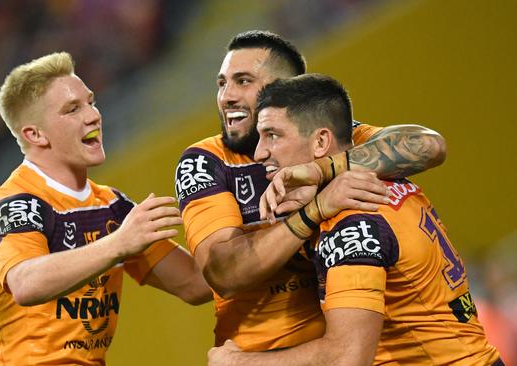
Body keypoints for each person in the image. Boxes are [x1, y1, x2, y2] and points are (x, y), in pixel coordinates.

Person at [175, 30, 447, 351]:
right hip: (258, 356)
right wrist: (315, 210)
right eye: (222, 83)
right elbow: (222, 274)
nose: (226, 96)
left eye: (243, 81)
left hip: (336, 347)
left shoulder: (325, 139)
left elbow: (429, 145)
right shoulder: (206, 162)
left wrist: (321, 169)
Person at [207, 74, 502, 365]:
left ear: (321, 141)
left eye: (273, 135)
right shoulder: (385, 174)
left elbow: (346, 358)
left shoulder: (352, 222)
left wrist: (240, 363)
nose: (259, 152)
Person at [0, 52, 212, 365]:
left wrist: (278, 227)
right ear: (35, 134)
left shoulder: (111, 206)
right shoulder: (15, 204)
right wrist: (118, 244)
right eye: (72, 109)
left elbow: (193, 283)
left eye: (90, 102)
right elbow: (26, 283)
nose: (93, 115)